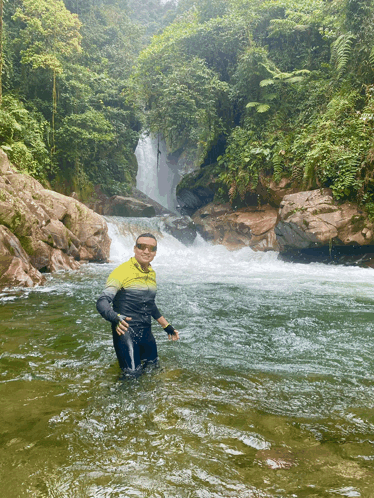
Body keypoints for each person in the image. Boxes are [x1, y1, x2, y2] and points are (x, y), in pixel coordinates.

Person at [96, 233, 179, 376]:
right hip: (125, 331)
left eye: (151, 248)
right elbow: (102, 301)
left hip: (146, 332)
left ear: (155, 252)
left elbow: (150, 304)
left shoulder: (151, 273)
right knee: (131, 378)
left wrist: (167, 327)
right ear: (135, 248)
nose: (146, 251)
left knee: (153, 372)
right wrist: (116, 318)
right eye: (142, 247)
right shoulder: (121, 272)